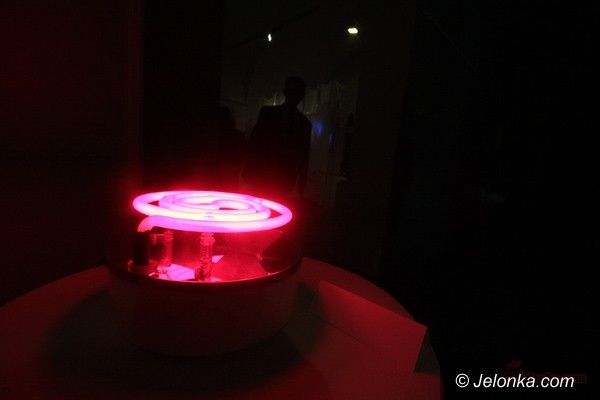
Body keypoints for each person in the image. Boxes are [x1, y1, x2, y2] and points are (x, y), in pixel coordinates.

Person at [242, 76, 312, 200]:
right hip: (266, 176)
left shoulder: (270, 114)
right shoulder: (303, 123)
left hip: (280, 178)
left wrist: (301, 183)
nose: (295, 95)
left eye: (298, 92)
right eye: (294, 91)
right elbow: (255, 142)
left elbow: (303, 155)